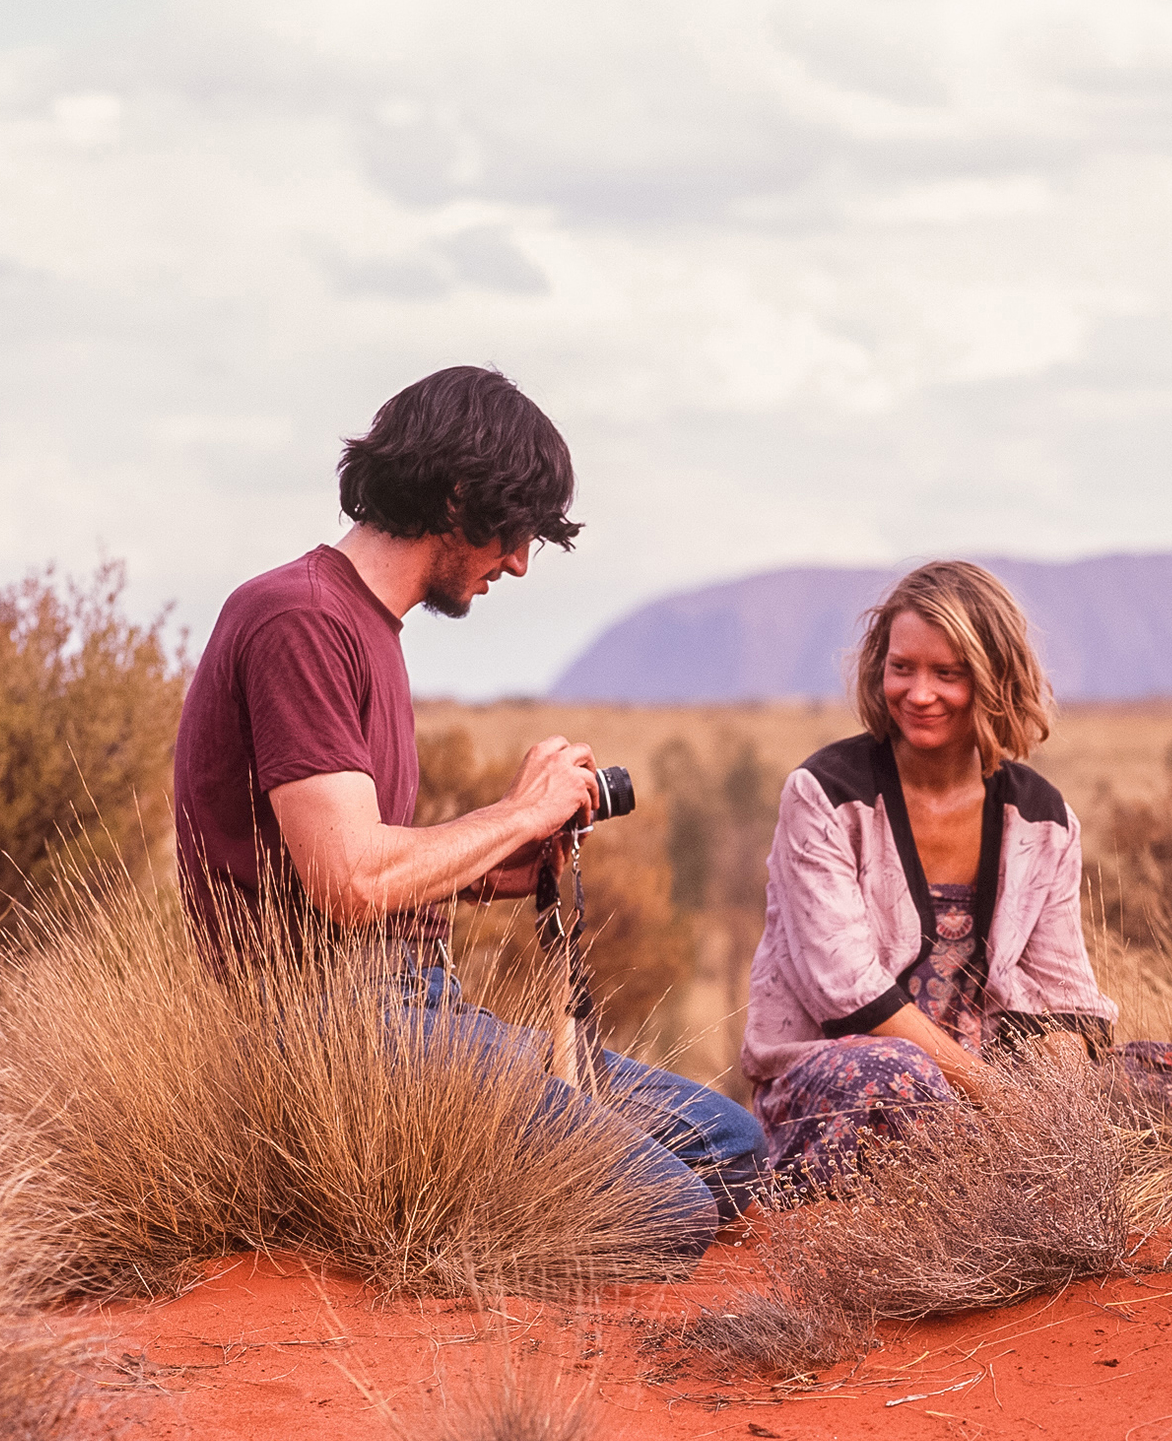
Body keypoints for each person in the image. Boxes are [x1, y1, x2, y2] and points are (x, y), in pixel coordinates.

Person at [172, 365, 767, 1264]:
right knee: (668, 1211)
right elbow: (351, 880)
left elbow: (367, 861)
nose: (521, 561)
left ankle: (467, 1181)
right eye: (515, 527)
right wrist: (520, 810)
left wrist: (513, 866)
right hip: (337, 1031)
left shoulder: (367, 625)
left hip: (421, 1009)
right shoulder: (299, 619)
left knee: (731, 1148)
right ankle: (407, 1231)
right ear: (457, 496)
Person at [741, 560, 1117, 1178]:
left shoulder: (1043, 819)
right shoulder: (824, 795)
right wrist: (999, 1099)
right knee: (898, 1081)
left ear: (996, 680)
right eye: (902, 668)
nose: (919, 694)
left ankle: (1013, 1185)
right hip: (845, 1076)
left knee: (1163, 1078)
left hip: (985, 1085)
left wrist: (1062, 1078)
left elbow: (1063, 992)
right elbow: (847, 993)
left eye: (948, 673)